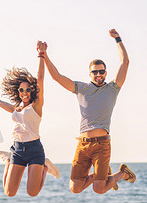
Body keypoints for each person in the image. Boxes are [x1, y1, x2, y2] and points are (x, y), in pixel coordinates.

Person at [42, 29, 136, 194]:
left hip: (102, 145)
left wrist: (118, 40)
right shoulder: (81, 88)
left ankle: (122, 173)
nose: (98, 74)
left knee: (99, 189)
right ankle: (104, 173)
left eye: (101, 71)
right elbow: (57, 76)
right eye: (95, 72)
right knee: (75, 188)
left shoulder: (113, 88)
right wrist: (44, 56)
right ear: (90, 73)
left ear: (105, 73)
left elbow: (125, 63)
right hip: (83, 145)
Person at [0, 41, 60, 198]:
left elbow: (41, 79)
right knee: (9, 192)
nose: (24, 92)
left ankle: (44, 166)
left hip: (35, 150)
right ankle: (8, 160)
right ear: (18, 91)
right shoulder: (16, 108)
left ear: (32, 91)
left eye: (27, 89)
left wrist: (41, 55)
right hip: (17, 150)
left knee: (32, 192)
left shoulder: (36, 106)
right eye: (21, 90)